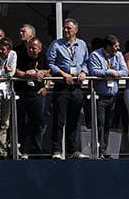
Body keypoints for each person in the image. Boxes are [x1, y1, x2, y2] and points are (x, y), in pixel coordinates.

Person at [47, 18, 89, 160]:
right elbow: (50, 63)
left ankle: (73, 150)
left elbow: (85, 62)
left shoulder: (82, 44)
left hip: (77, 87)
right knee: (59, 120)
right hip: (62, 86)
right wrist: (63, 74)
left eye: (69, 28)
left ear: (76, 30)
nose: (66, 30)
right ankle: (57, 150)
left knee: (74, 120)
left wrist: (83, 72)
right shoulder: (56, 44)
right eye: (65, 28)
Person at [87, 35, 126, 158]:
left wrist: (115, 74)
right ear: (108, 47)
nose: (118, 48)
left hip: (113, 97)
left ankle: (104, 151)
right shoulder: (95, 55)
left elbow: (125, 71)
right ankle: (97, 151)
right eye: (116, 46)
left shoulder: (118, 55)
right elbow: (93, 71)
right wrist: (109, 72)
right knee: (100, 124)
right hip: (99, 97)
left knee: (109, 125)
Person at [15, 36, 51, 158]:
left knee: (37, 122)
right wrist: (26, 74)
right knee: (23, 122)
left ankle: (36, 149)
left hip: (38, 93)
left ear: (40, 49)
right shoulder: (21, 56)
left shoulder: (43, 57)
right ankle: (23, 150)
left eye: (33, 48)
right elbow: (15, 71)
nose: (30, 50)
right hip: (23, 93)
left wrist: (44, 82)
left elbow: (49, 71)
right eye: (29, 48)